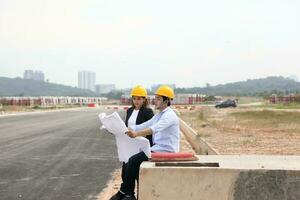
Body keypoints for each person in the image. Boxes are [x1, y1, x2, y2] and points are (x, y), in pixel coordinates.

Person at [110, 86, 180, 200]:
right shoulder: (159, 114)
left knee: (133, 160)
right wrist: (122, 129)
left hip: (166, 150)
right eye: (155, 98)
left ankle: (127, 193)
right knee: (130, 160)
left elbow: (153, 129)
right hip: (157, 148)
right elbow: (144, 125)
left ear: (166, 101)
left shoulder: (169, 115)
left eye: (158, 99)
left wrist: (136, 134)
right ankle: (126, 192)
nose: (155, 101)